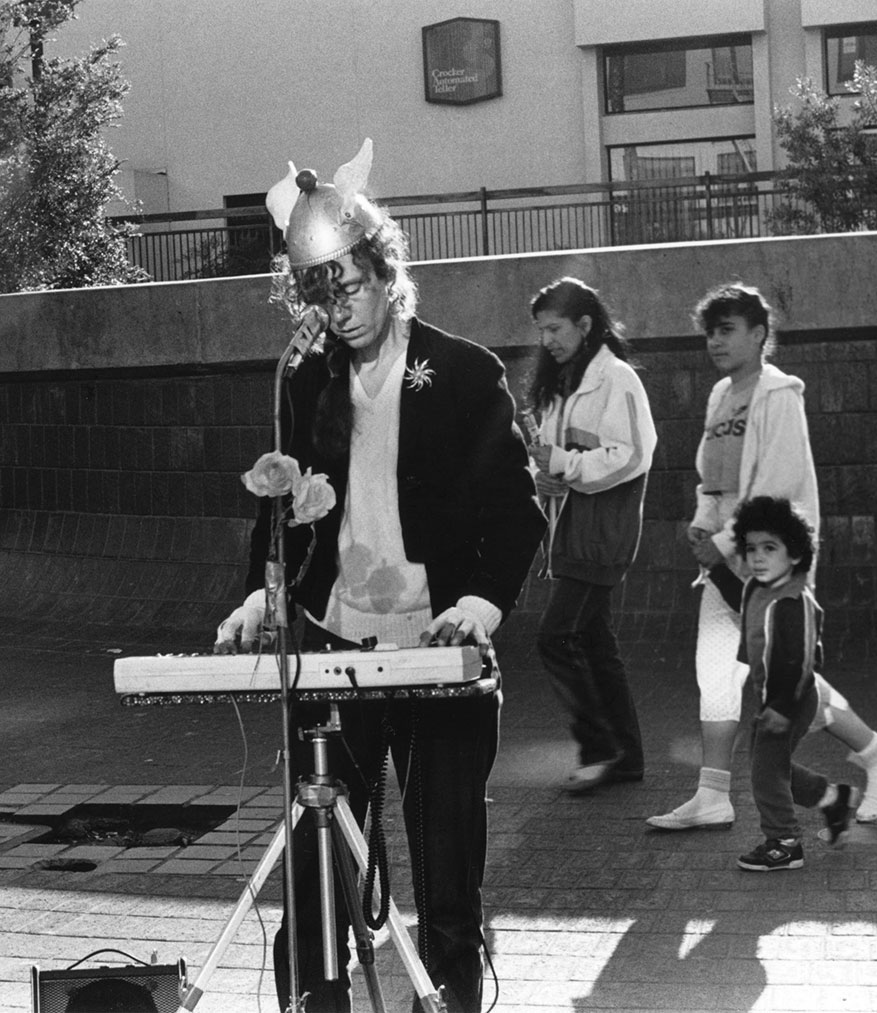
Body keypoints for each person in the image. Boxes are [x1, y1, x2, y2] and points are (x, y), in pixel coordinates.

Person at [214, 140, 545, 1013]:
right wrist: (264, 591)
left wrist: (478, 602)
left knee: (444, 882)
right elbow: (278, 510)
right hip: (335, 651)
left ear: (386, 269)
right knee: (318, 880)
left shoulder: (466, 374)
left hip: (436, 650)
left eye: (350, 285)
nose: (339, 309)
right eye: (319, 294)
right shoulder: (305, 374)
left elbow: (518, 513)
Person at [647, 283, 877, 831]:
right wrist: (702, 524)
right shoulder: (721, 396)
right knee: (716, 670)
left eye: (727, 329)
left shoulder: (779, 393)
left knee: (784, 672)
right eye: (711, 331)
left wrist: (722, 540)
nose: (716, 341)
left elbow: (777, 483)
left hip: (768, 560)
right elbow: (711, 477)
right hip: (722, 560)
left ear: (760, 335)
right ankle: (713, 793)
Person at [524, 278, 657, 794]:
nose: (548, 340)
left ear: (585, 325)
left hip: (599, 534)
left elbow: (631, 455)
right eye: (542, 331)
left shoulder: (616, 379)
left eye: (555, 328)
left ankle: (600, 749)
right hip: (574, 533)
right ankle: (626, 759)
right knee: (597, 645)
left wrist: (561, 464)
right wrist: (545, 476)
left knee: (557, 636)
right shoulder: (564, 383)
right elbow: (562, 464)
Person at [702, 497, 858, 871]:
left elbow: (801, 662)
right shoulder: (760, 588)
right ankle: (834, 798)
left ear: (794, 555)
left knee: (765, 772)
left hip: (794, 697)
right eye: (751, 548)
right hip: (772, 697)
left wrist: (782, 708)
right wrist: (716, 569)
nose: (757, 557)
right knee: (770, 765)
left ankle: (785, 841)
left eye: (770, 548)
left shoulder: (793, 602)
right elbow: (743, 603)